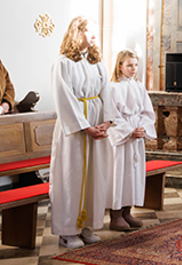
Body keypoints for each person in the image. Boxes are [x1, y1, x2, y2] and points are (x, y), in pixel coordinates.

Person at [50, 16, 114, 249]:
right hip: (75, 129)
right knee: (72, 176)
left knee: (94, 176)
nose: (94, 33)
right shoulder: (63, 63)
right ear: (77, 32)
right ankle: (68, 231)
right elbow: (63, 98)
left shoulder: (96, 62)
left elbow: (107, 91)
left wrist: (106, 121)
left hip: (96, 122)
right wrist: (85, 127)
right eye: (89, 30)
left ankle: (87, 225)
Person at [107, 50, 157, 231]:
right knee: (120, 174)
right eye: (129, 65)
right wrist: (129, 131)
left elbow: (147, 111)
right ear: (120, 66)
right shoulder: (113, 87)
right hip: (123, 137)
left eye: (136, 65)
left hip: (136, 135)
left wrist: (143, 127)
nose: (133, 68)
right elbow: (112, 115)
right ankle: (116, 214)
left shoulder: (139, 86)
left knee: (134, 174)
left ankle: (128, 211)